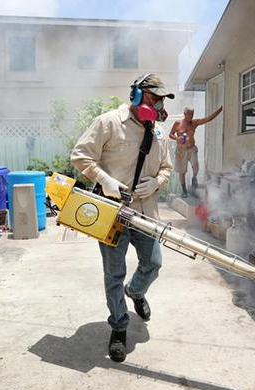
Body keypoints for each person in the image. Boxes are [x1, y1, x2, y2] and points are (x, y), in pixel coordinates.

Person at [70, 74, 174, 363]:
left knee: (153, 262)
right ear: (137, 95)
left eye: (162, 99)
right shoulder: (108, 123)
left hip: (146, 212)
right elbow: (80, 156)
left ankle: (136, 291)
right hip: (112, 213)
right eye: (154, 97)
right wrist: (104, 180)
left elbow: (167, 167)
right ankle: (118, 327)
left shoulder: (160, 132)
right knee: (113, 274)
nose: (159, 104)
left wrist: (157, 183)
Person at [169, 105, 223, 197]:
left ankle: (194, 178)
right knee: (182, 171)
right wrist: (178, 138)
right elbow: (170, 134)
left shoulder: (195, 123)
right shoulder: (178, 123)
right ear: (185, 114)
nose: (191, 116)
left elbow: (207, 119)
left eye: (192, 114)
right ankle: (184, 190)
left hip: (191, 148)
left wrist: (220, 110)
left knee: (195, 165)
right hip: (181, 150)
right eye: (189, 114)